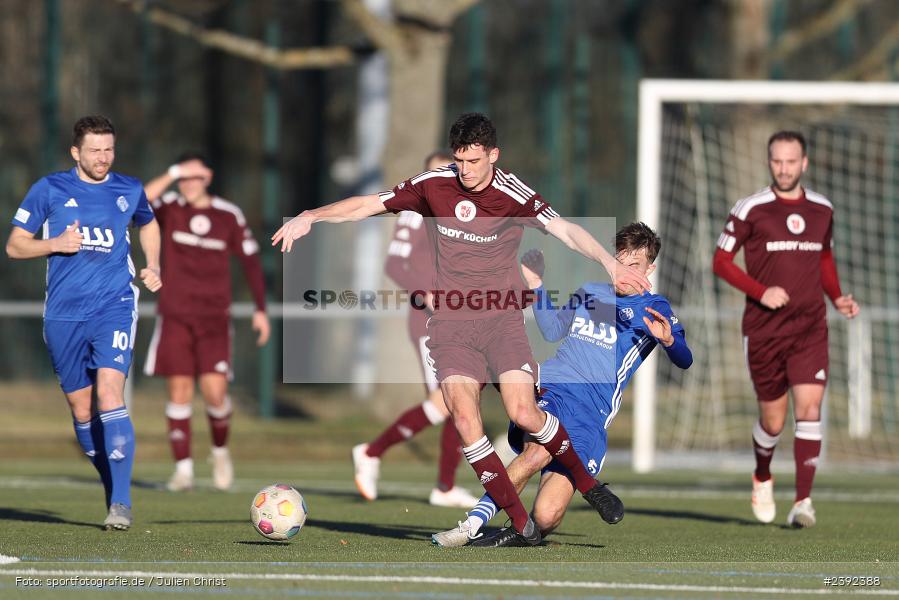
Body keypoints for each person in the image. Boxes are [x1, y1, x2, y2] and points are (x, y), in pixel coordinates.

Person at [274, 113, 652, 547]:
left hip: (502, 320)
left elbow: (565, 229)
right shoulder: (434, 183)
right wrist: (311, 215)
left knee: (524, 413)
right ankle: (519, 522)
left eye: (473, 161)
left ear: (493, 155)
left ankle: (589, 486)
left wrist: (608, 262)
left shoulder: (512, 192)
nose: (465, 170)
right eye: (460, 161)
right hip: (452, 325)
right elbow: (367, 204)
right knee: (466, 419)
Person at [433, 222, 693, 546]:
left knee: (546, 515)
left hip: (591, 414)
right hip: (554, 389)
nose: (624, 272)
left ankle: (524, 530)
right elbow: (553, 330)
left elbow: (685, 359)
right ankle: (472, 523)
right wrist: (537, 285)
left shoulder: (655, 308)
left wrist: (669, 341)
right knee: (537, 453)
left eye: (635, 265)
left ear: (650, 268)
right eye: (620, 262)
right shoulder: (589, 292)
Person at [6, 115, 162, 530]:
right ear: (76, 152)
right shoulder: (49, 189)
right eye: (94, 150)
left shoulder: (128, 188)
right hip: (62, 313)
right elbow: (15, 246)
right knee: (81, 408)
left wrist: (154, 264)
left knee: (111, 394)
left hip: (114, 305)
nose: (103, 158)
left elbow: (147, 221)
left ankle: (123, 503)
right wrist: (55, 243)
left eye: (109, 149)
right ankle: (114, 490)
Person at [712, 130, 859, 528]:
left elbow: (824, 259)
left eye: (791, 161)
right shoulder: (751, 208)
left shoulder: (823, 209)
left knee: (809, 410)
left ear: (804, 163)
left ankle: (803, 502)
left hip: (810, 327)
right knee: (774, 422)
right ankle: (762, 474)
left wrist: (837, 296)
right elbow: (721, 262)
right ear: (769, 161)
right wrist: (761, 291)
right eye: (777, 161)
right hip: (764, 331)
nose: (784, 168)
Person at [352, 151, 478, 508]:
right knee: (449, 400)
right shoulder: (414, 209)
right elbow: (395, 263)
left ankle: (444, 486)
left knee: (458, 400)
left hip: (460, 319)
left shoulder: (459, 212)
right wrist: (426, 293)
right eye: (435, 171)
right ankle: (373, 452)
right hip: (428, 321)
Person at [143, 152, 270, 492]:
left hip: (214, 318)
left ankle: (220, 451)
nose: (189, 184)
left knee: (215, 393)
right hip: (175, 315)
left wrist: (261, 310)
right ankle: (183, 470)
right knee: (180, 391)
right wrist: (172, 171)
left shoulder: (228, 215)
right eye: (184, 178)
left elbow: (251, 263)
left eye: (195, 177)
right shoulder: (169, 207)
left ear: (208, 177)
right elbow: (136, 202)